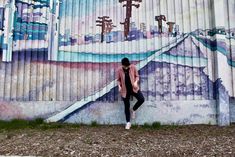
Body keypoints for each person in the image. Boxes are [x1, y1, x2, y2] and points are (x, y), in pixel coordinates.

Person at [117, 57, 145, 129]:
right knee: (126, 106)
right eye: (125, 66)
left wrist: (135, 82)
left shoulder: (133, 67)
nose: (126, 67)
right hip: (125, 90)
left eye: (127, 66)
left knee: (141, 99)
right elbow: (118, 80)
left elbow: (137, 76)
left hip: (134, 88)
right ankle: (128, 123)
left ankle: (133, 109)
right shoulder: (119, 70)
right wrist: (119, 86)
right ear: (122, 65)